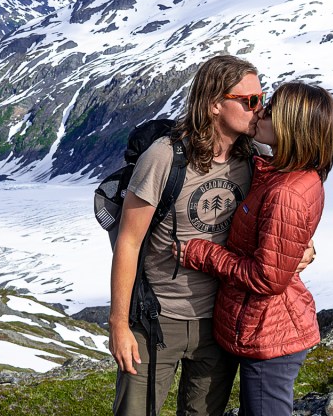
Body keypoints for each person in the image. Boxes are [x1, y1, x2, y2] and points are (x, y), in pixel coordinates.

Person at [109, 55, 315, 416]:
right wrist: (119, 325)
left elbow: (278, 219)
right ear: (215, 104)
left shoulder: (254, 158)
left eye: (261, 99)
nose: (260, 110)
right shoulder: (164, 158)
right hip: (156, 317)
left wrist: (304, 247)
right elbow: (129, 241)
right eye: (250, 101)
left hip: (217, 322)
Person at [176, 81, 333, 416]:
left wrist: (202, 254)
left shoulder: (286, 193)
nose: (261, 113)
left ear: (291, 126)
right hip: (267, 328)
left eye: (272, 109)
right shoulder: (289, 176)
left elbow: (267, 278)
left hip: (270, 336)